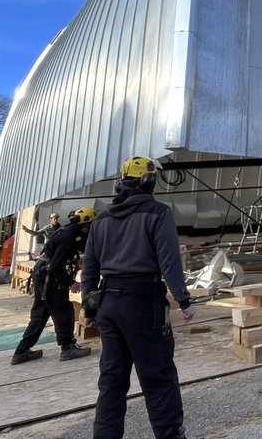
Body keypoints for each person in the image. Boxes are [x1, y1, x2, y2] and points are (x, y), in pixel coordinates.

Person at [82, 156, 195, 439]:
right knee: (158, 378)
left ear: (121, 183)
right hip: (143, 304)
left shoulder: (102, 220)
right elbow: (169, 262)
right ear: (148, 181)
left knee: (112, 380)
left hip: (108, 304)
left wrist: (90, 307)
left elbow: (90, 268)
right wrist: (184, 300)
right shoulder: (158, 213)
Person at [10, 209, 96, 365]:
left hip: (42, 273)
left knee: (40, 314)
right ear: (85, 224)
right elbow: (56, 265)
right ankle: (68, 347)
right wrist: (71, 283)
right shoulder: (68, 236)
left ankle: (21, 351)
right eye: (90, 225)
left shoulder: (69, 231)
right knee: (63, 310)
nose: (91, 228)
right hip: (49, 277)